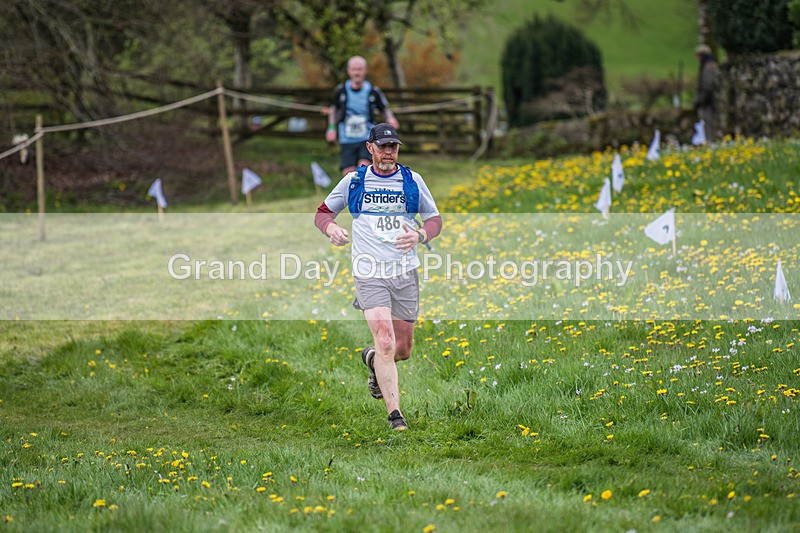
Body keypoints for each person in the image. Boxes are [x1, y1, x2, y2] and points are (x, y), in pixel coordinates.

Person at [314, 123, 442, 431]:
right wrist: (332, 230)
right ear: (370, 147)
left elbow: (435, 219)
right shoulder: (354, 181)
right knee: (385, 341)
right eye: (382, 146)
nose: (388, 152)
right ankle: (395, 416)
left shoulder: (412, 180)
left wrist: (421, 235)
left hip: (404, 271)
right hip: (369, 271)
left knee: (402, 350)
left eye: (393, 147)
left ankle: (372, 360)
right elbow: (322, 213)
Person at [326, 55, 400, 176]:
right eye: (354, 69)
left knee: (363, 170)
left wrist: (391, 118)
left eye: (360, 69)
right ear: (349, 71)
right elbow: (333, 109)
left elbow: (384, 108)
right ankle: (352, 195)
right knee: (348, 174)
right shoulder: (341, 91)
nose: (357, 73)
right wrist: (331, 128)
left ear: (365, 71)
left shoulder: (373, 91)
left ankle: (364, 194)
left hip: (367, 137)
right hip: (347, 137)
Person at [693, 43, 719, 141]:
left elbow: (707, 86)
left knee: (708, 128)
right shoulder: (713, 64)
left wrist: (698, 101)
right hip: (712, 101)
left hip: (707, 103)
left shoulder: (708, 67)